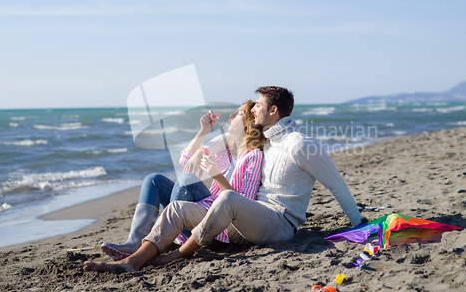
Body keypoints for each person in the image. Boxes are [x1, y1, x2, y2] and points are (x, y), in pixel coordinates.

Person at [84, 86, 363, 273]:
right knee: (176, 208)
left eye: (259, 107)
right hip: (246, 220)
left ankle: (177, 254)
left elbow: (335, 182)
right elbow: (218, 144)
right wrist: (204, 135)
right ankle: (133, 261)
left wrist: (360, 225)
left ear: (274, 111)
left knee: (227, 197)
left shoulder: (299, 144)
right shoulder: (263, 141)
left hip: (281, 224)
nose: (253, 111)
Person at [100, 100, 265, 260]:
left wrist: (216, 175)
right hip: (201, 212)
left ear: (248, 124)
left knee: (186, 179)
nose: (232, 114)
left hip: (217, 225)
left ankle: (163, 240)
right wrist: (203, 132)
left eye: (239, 113)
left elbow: (243, 205)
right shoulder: (225, 151)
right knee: (154, 180)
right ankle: (135, 242)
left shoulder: (253, 155)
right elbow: (186, 161)